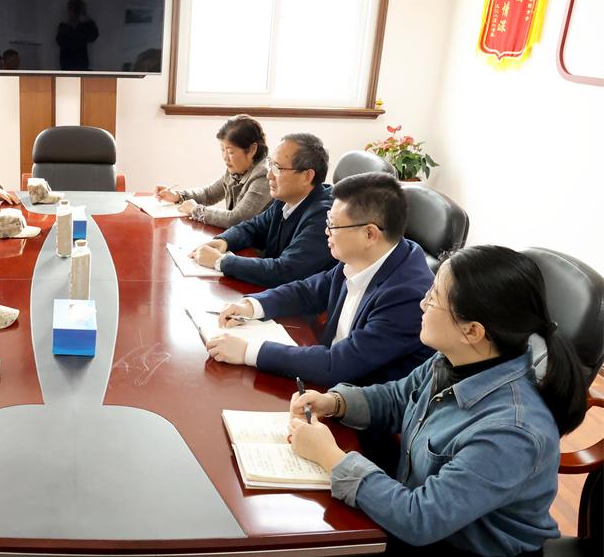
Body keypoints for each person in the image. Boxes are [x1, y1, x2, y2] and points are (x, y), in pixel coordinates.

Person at [283, 245, 588, 557]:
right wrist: (336, 402)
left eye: (435, 296)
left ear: (473, 330)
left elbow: (420, 518)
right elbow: (397, 397)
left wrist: (331, 457)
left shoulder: (511, 430)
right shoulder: (461, 358)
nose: (422, 302)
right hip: (430, 544)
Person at [206, 172, 433, 386]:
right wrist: (251, 306)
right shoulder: (365, 255)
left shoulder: (408, 295)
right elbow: (309, 291)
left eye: (333, 225)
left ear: (369, 234)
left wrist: (248, 351)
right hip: (328, 381)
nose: (326, 232)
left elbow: (339, 364)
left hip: (356, 399)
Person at [190, 132, 335, 286]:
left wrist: (221, 261)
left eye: (278, 168)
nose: (269, 175)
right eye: (270, 165)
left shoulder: (325, 216)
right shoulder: (285, 200)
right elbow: (252, 228)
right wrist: (224, 241)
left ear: (307, 176)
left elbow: (285, 271)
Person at [154, 114, 272, 228]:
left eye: (230, 152)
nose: (225, 157)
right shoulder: (238, 169)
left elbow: (236, 219)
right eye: (222, 150)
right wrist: (177, 196)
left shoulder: (264, 176)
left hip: (258, 242)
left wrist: (195, 210)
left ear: (252, 149)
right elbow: (209, 194)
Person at [56, 0, 99, 71]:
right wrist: (70, 24)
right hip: (66, 69)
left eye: (75, 10)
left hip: (81, 68)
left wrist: (86, 17)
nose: (72, 13)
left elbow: (94, 35)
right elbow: (59, 41)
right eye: (70, 9)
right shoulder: (64, 27)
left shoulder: (84, 27)